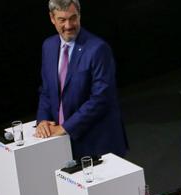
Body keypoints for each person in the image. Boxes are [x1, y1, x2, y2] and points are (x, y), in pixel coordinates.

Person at [35, 0, 128, 158]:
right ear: (52, 18)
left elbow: (101, 98)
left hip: (97, 143)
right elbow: (46, 90)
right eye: (62, 20)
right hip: (61, 143)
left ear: (80, 15)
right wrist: (43, 120)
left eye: (73, 18)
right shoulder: (48, 46)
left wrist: (65, 128)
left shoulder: (98, 49)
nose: (69, 25)